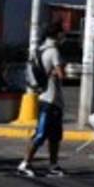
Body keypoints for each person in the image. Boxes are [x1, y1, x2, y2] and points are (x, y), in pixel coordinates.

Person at [18, 26, 66, 178]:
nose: (63, 37)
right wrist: (58, 70)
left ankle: (54, 165)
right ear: (56, 35)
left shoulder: (39, 50)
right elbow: (61, 74)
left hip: (43, 95)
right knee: (42, 134)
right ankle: (25, 163)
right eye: (62, 34)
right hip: (51, 98)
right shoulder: (53, 51)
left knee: (53, 135)